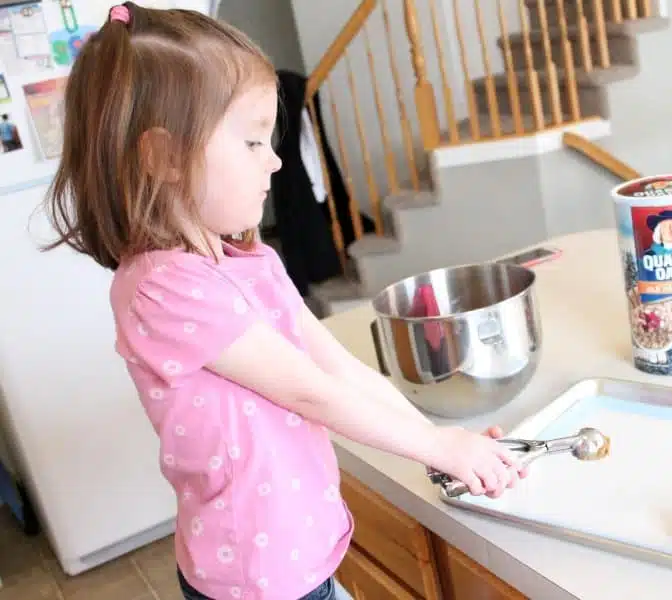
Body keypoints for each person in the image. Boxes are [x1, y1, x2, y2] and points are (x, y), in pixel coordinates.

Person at [41, 4, 526, 600]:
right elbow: (309, 393)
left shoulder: (253, 263)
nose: (274, 159)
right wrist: (436, 446)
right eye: (250, 141)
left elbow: (338, 369)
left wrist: (442, 444)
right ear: (163, 157)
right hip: (255, 581)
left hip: (302, 557)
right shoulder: (160, 287)